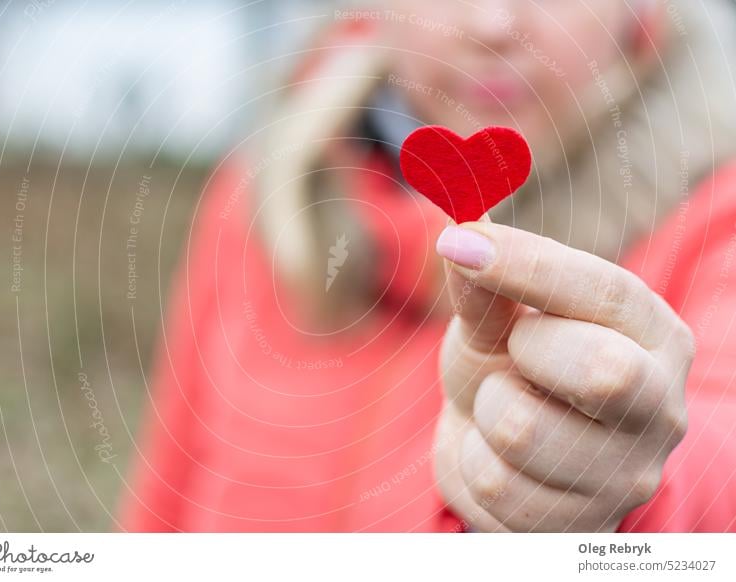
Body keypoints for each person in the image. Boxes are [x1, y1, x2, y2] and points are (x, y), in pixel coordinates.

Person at [119, 0, 736, 532]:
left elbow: (717, 455)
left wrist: (630, 498)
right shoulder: (259, 200)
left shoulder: (715, 218)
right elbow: (163, 498)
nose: (493, 24)